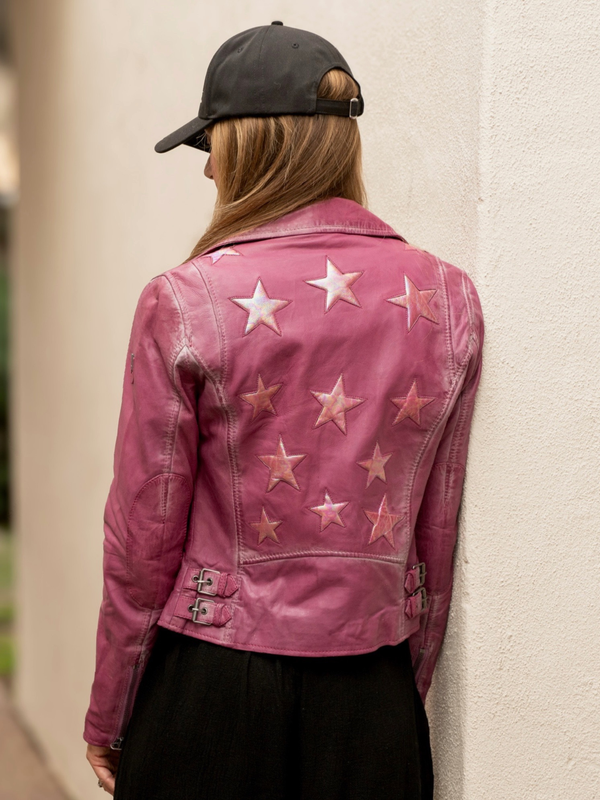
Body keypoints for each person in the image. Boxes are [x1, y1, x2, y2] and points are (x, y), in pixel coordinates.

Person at [83, 21, 483, 800]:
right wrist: (404, 689)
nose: (209, 171)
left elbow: (142, 540)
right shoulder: (447, 299)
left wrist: (112, 709)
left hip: (210, 694)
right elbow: (436, 535)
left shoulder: (185, 300)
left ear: (247, 148)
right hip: (373, 694)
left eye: (212, 148)